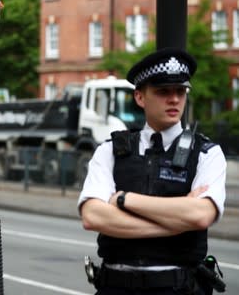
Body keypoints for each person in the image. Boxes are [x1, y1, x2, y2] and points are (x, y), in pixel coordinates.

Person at [78, 48, 226, 294]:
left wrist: (125, 200)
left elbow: (200, 216)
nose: (174, 99)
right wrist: (178, 222)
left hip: (179, 288)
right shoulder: (109, 151)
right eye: (163, 91)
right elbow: (93, 217)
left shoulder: (207, 153)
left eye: (180, 91)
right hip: (116, 286)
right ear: (140, 97)